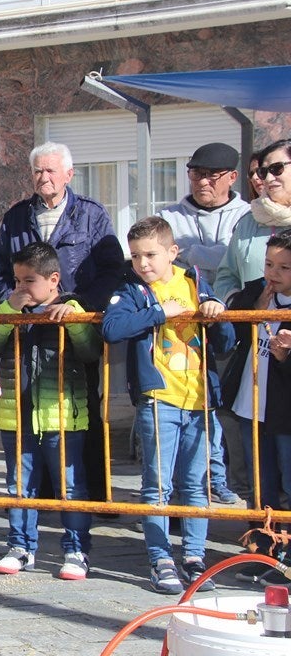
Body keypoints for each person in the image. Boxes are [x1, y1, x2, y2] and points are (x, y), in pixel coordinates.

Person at [101, 216, 233, 595]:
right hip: (159, 400)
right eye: (136, 256)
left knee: (195, 484)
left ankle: (194, 557)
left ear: (172, 252)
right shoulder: (131, 289)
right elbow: (112, 329)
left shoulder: (193, 282)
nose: (143, 264)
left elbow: (224, 343)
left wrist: (217, 312)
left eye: (151, 255)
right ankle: (160, 559)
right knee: (157, 484)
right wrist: (160, 313)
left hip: (199, 399)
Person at [0, 141, 124, 504]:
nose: (44, 177)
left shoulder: (92, 215)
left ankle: (92, 495)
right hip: (29, 329)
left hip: (75, 327)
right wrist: (15, 300)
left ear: (69, 174)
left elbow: (112, 268)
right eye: (38, 170)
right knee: (32, 406)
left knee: (84, 410)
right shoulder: (16, 216)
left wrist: (78, 305)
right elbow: (2, 268)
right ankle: (44, 494)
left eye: (51, 170)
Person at [0, 242, 98, 580]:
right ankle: (20, 546)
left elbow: (91, 351)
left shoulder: (72, 309)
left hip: (61, 415)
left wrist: (73, 320)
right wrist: (8, 310)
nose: (20, 288)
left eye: (28, 281)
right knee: (19, 485)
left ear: (53, 279)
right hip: (16, 413)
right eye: (16, 281)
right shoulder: (12, 309)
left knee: (70, 487)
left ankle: (75, 549)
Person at [157, 142, 247, 505]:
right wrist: (214, 256)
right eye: (195, 173)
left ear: (231, 177)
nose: (202, 182)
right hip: (179, 330)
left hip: (229, 326)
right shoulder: (169, 216)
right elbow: (163, 265)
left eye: (211, 175)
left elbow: (237, 262)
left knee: (225, 406)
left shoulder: (247, 216)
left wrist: (190, 252)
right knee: (190, 405)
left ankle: (222, 476)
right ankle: (194, 482)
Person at [221, 228, 291, 512]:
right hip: (250, 406)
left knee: (287, 475)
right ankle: (263, 539)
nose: (273, 273)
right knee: (260, 480)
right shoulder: (256, 289)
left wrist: (286, 356)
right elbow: (229, 329)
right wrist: (252, 308)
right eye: (268, 264)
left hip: (283, 411)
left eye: (284, 267)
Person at [216, 139, 291, 302]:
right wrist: (241, 305)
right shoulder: (249, 221)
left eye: (277, 169)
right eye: (264, 172)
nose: (269, 178)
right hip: (256, 324)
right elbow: (226, 277)